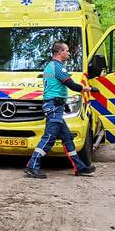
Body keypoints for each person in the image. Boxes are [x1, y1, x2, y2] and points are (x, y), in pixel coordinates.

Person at [24, 41, 96, 179]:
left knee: (67, 138)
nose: (69, 53)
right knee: (50, 137)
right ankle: (32, 166)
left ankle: (80, 168)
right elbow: (72, 85)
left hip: (54, 105)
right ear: (60, 52)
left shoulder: (50, 67)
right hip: (54, 106)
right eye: (67, 51)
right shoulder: (58, 68)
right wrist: (89, 89)